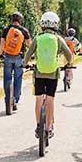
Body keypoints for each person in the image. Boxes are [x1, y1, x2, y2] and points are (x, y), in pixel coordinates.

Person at [23, 11, 73, 139]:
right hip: (53, 74)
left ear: (42, 24)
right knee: (50, 99)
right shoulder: (58, 39)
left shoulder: (38, 38)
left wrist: (24, 64)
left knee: (39, 99)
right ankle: (49, 127)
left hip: (39, 73)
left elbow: (28, 55)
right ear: (56, 24)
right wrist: (68, 64)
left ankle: (39, 125)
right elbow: (69, 55)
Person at [0, 12, 31, 113]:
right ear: (20, 20)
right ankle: (15, 100)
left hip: (7, 56)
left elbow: (2, 43)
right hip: (19, 58)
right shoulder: (24, 30)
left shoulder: (6, 29)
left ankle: (7, 98)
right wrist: (30, 57)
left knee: (7, 78)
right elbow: (30, 45)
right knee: (18, 79)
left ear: (11, 20)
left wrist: (0, 54)